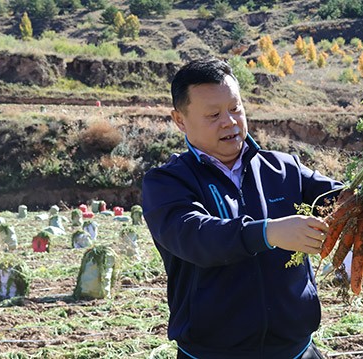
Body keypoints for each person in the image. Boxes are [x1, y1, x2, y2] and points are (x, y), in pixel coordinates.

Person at [141, 57, 344, 359]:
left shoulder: (283, 168)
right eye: (213, 115)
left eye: (235, 109)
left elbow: (341, 199)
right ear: (180, 120)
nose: (230, 122)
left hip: (297, 351)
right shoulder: (167, 182)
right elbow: (195, 236)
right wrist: (268, 232)